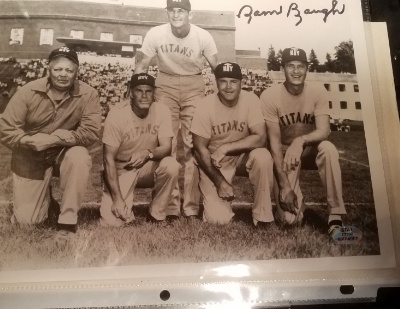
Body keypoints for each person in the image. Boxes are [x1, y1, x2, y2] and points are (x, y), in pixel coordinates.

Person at [0, 46, 101, 240]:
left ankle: (68, 221)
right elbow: (6, 129)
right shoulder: (28, 91)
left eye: (69, 70)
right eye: (58, 69)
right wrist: (27, 140)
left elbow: (91, 131)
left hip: (62, 152)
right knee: (28, 222)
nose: (63, 75)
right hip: (30, 154)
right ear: (49, 69)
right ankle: (46, 200)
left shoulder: (89, 94)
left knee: (79, 156)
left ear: (77, 72)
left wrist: (54, 139)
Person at [134, 0, 218, 220]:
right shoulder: (155, 33)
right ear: (167, 12)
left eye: (181, 10)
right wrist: (132, 90)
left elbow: (217, 69)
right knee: (166, 144)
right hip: (165, 82)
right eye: (172, 10)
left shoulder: (203, 36)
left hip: (194, 84)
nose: (176, 14)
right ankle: (169, 205)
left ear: (190, 13)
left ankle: (191, 206)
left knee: (194, 146)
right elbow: (142, 65)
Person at [260, 47, 347, 237]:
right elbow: (273, 143)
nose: (296, 71)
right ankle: (296, 203)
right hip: (284, 155)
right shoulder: (269, 95)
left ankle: (336, 214)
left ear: (307, 68)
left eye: (301, 66)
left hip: (309, 149)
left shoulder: (317, 91)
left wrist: (301, 140)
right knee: (290, 221)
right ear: (282, 68)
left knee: (329, 149)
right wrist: (285, 186)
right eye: (291, 66)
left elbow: (324, 131)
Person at [191, 62, 274, 225]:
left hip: (243, 156)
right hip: (215, 162)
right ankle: (219, 204)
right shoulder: (204, 105)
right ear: (216, 83)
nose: (228, 87)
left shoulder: (251, 99)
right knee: (218, 220)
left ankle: (262, 216)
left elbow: (261, 138)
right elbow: (200, 149)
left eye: (233, 81)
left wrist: (226, 147)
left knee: (262, 156)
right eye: (223, 81)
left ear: (241, 83)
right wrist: (220, 182)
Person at [100, 73, 180, 226]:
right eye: (139, 91)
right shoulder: (117, 114)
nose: (144, 95)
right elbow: (107, 159)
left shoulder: (162, 111)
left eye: (148, 91)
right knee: (113, 224)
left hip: (146, 167)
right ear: (130, 92)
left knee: (171, 165)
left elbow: (166, 148)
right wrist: (117, 199)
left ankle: (156, 213)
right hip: (121, 168)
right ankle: (118, 200)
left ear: (154, 93)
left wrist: (148, 153)